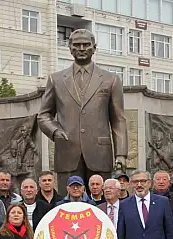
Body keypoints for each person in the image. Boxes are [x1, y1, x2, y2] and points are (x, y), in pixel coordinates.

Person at [37, 28, 128, 194]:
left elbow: (118, 119)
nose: (81, 48)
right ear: (70, 48)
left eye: (86, 44)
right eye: (76, 45)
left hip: (100, 152)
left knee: (102, 203)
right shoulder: (55, 79)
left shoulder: (111, 79)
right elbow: (43, 116)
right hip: (67, 150)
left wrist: (121, 153)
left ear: (94, 47)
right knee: (68, 204)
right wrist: (55, 131)